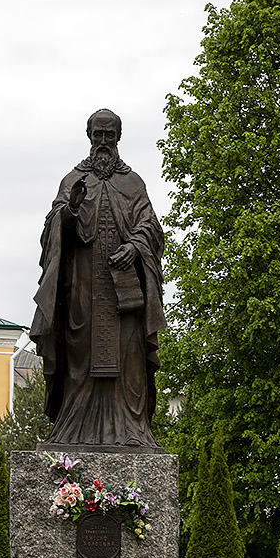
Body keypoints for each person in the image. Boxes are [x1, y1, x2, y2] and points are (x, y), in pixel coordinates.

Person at [31, 108, 167, 449]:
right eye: (98, 135)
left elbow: (150, 226)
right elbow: (51, 232)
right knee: (80, 360)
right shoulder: (73, 180)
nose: (103, 141)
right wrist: (70, 210)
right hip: (83, 289)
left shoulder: (132, 182)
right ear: (89, 136)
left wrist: (135, 246)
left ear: (118, 138)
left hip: (124, 293)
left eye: (110, 135)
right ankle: (74, 431)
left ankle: (130, 431)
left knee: (129, 360)